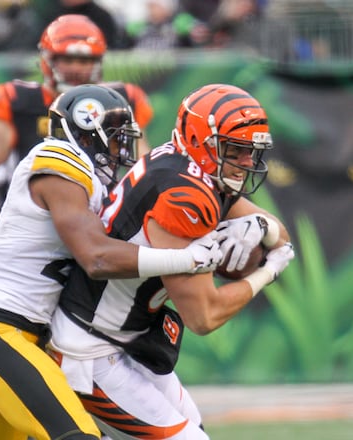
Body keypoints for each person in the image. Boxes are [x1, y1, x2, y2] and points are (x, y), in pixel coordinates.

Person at [0, 84, 226, 440]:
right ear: (86, 131)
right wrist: (184, 258)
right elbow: (96, 257)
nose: (120, 151)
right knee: (79, 436)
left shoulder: (87, 181)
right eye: (114, 140)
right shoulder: (59, 161)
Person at [49, 84, 296, 439]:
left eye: (251, 152)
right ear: (203, 141)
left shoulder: (191, 167)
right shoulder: (186, 194)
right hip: (89, 349)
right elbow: (204, 316)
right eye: (236, 150)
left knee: (194, 430)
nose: (246, 163)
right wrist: (266, 273)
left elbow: (281, 237)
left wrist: (260, 226)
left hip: (127, 340)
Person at [0, 14, 153, 208]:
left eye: (84, 61)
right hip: (34, 211)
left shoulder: (120, 101)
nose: (76, 68)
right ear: (46, 60)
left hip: (101, 211)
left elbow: (141, 171)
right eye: (67, 60)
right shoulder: (17, 100)